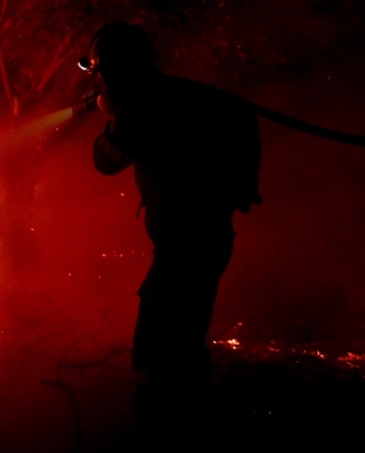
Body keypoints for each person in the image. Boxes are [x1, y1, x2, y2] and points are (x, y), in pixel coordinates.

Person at [82, 22, 261, 415]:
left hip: (184, 246)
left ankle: (163, 434)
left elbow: (107, 161)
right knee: (185, 341)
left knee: (156, 349)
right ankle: (190, 420)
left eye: (105, 71)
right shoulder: (184, 95)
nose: (104, 79)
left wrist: (111, 113)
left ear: (117, 68)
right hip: (208, 237)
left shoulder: (145, 106)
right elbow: (243, 118)